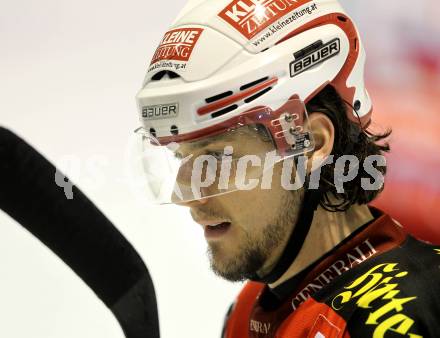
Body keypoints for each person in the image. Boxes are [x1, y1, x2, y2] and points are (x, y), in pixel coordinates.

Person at [134, 0, 440, 336]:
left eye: (217, 159)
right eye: (182, 158)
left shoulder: (403, 317)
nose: (186, 196)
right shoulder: (250, 311)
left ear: (312, 142)